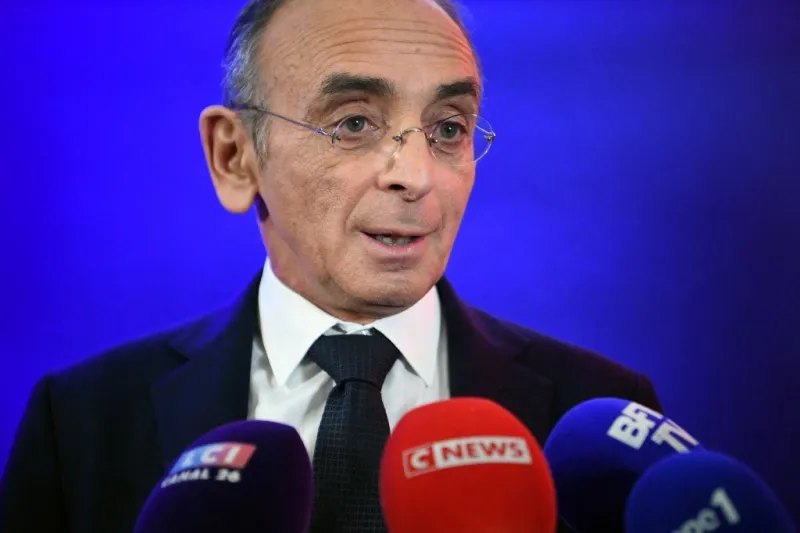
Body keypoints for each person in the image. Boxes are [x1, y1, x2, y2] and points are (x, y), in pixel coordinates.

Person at [0, 0, 662, 532]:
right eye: (353, 123)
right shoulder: (81, 423)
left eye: (449, 129)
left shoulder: (601, 417)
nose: (415, 175)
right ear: (234, 156)